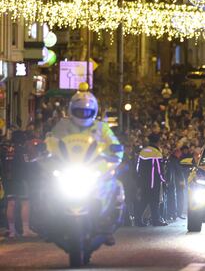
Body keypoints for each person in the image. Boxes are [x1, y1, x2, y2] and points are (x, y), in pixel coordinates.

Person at [45, 83, 124, 245]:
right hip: (68, 169)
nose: (83, 114)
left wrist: (115, 154)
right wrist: (43, 150)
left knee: (115, 186)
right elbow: (50, 141)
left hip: (93, 170)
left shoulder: (101, 128)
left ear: (93, 111)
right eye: (79, 110)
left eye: (87, 111)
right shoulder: (63, 126)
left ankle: (107, 224)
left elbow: (114, 145)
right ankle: (49, 223)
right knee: (45, 188)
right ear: (71, 110)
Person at [135, 133, 168, 227]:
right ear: (157, 142)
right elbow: (159, 169)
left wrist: (140, 179)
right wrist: (163, 180)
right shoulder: (156, 153)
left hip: (143, 181)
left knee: (144, 201)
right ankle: (155, 220)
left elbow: (138, 167)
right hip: (154, 182)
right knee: (154, 202)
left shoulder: (143, 151)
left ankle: (137, 220)